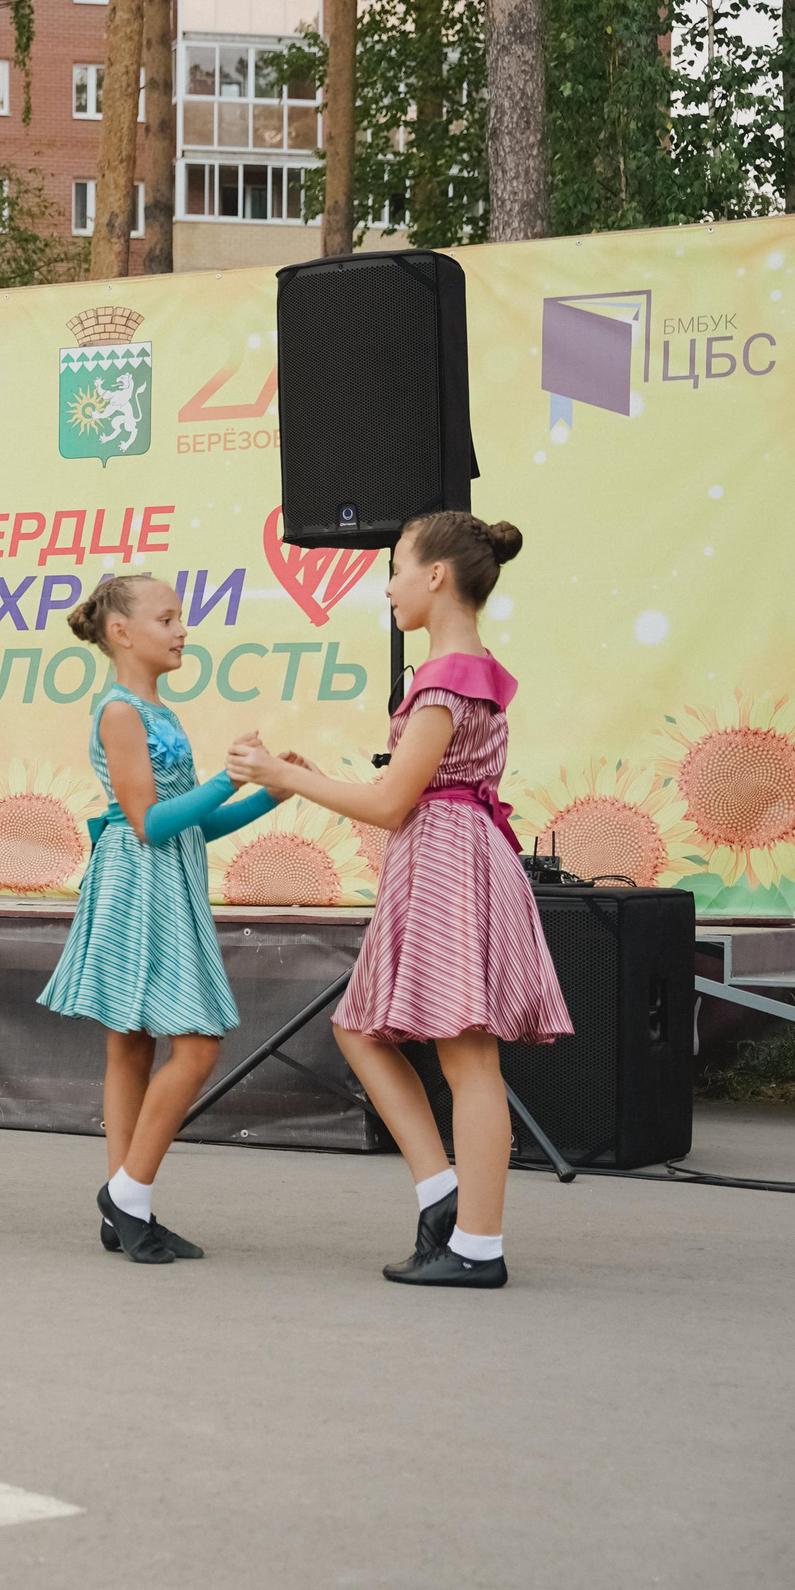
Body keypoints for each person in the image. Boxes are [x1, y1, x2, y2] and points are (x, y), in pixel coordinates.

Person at [230, 512, 569, 1289]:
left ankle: (477, 1242)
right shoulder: (462, 668)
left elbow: (389, 799)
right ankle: (443, 1194)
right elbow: (401, 796)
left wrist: (284, 777)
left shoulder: (445, 676)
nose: (388, 585)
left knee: (466, 1053)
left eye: (398, 568)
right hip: (443, 851)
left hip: (448, 855)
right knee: (362, 1029)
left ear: (437, 577)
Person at [37, 574, 295, 1264]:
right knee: (196, 1042)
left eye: (181, 617)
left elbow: (190, 827)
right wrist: (227, 779)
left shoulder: (162, 712)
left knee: (131, 1044)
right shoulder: (119, 711)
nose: (182, 629)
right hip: (136, 883)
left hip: (165, 875)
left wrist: (267, 796)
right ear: (121, 632)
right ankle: (128, 1196)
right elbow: (149, 823)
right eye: (167, 617)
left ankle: (127, 1201)